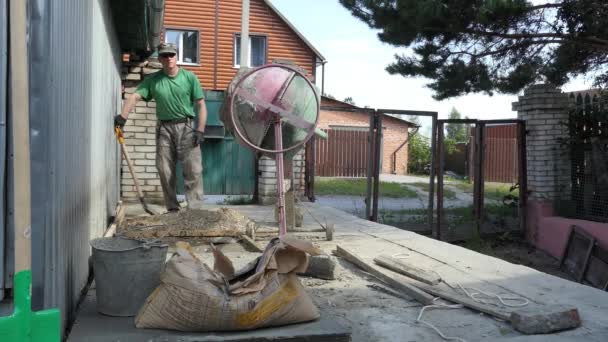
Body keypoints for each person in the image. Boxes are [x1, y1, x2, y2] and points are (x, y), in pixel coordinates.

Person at [115, 43, 207, 211]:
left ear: (176, 57)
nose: (169, 58)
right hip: (164, 129)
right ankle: (172, 209)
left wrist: (200, 129)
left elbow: (201, 105)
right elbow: (135, 96)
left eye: (171, 55)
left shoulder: (189, 77)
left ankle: (195, 211)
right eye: (165, 55)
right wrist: (123, 117)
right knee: (164, 170)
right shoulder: (153, 80)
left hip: (186, 127)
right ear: (160, 59)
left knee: (193, 170)